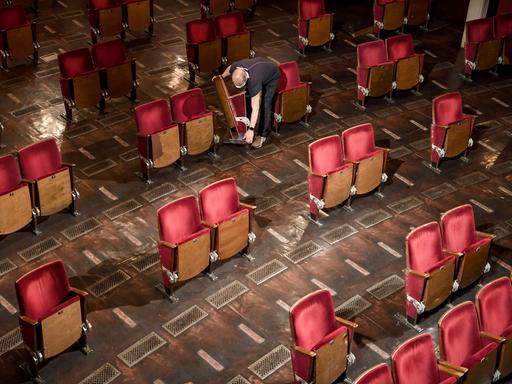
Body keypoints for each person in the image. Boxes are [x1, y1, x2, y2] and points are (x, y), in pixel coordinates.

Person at [222, 57, 280, 148]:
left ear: (246, 79)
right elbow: (228, 69)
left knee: (265, 104)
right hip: (259, 68)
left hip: (272, 74)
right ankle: (247, 123)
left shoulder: (254, 81)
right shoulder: (236, 67)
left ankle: (262, 135)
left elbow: (255, 107)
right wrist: (221, 78)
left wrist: (251, 130)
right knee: (247, 97)